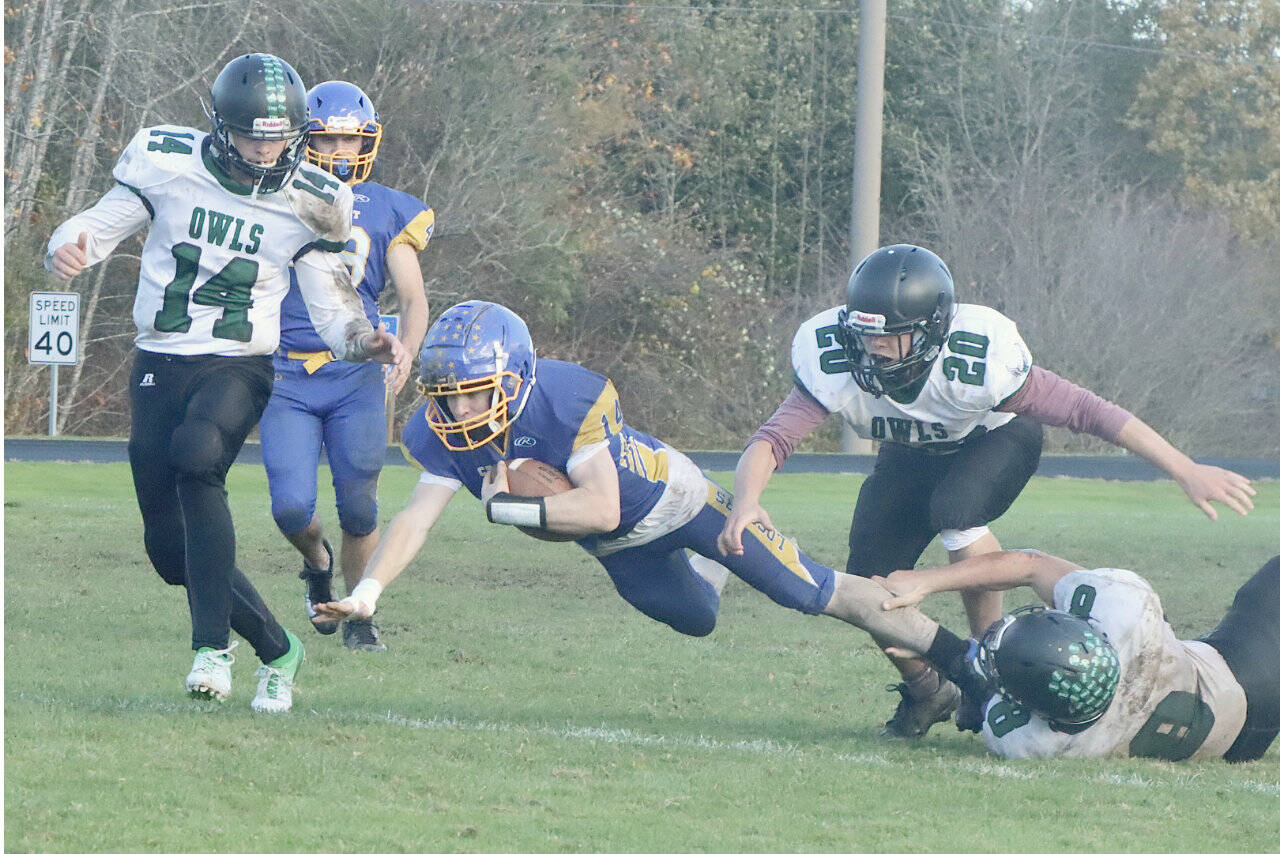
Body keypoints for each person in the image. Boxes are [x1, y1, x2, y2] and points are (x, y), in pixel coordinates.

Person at [310, 300, 984, 702]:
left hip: (678, 498)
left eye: (474, 391)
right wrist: (368, 593)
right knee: (695, 619)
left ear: (514, 378)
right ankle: (716, 568)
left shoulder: (567, 397)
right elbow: (415, 519)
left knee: (811, 592)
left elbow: (600, 505)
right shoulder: (440, 432)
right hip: (617, 546)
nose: (458, 408)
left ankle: (971, 665)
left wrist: (508, 508)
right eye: (448, 392)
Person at [718, 243, 1256, 738]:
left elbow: (1089, 411)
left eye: (889, 335)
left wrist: (1184, 467)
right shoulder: (836, 358)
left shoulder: (977, 359)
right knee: (869, 585)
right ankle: (931, 690)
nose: (874, 349)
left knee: (957, 511)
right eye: (865, 334)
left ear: (931, 329)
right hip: (910, 455)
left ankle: (990, 672)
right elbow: (773, 439)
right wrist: (746, 499)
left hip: (995, 440)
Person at [44, 53, 407, 713]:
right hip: (160, 358)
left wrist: (364, 341)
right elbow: (94, 227)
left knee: (198, 457)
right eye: (252, 134)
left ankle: (210, 649)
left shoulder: (315, 200)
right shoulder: (166, 161)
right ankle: (277, 649)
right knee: (169, 551)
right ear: (219, 126)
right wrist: (65, 246)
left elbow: (333, 307)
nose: (265, 149)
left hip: (239, 363)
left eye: (277, 136)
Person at [258, 80, 432, 654]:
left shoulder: (385, 210)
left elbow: (411, 297)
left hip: (355, 374)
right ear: (305, 138)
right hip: (284, 374)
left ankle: (360, 614)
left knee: (359, 504)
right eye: (328, 136)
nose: (339, 150)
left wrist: (405, 349)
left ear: (368, 144)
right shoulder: (274, 194)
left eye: (350, 139)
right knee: (290, 507)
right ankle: (317, 561)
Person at [875, 549, 1279, 762]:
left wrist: (937, 651)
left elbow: (987, 684)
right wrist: (928, 582)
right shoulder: (1125, 610)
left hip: (1234, 741)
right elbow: (1032, 565)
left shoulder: (1032, 742)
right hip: (1248, 675)